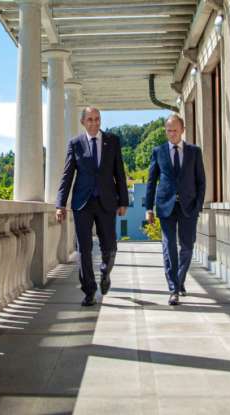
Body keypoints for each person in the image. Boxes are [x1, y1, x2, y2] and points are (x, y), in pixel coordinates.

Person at [56, 107, 129, 306]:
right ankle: (89, 291)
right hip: (82, 203)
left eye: (97, 119)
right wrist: (60, 204)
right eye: (90, 119)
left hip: (107, 202)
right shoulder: (75, 144)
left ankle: (105, 273)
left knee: (110, 247)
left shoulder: (112, 141)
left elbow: (119, 173)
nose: (94, 123)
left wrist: (123, 201)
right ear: (83, 122)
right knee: (84, 249)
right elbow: (67, 175)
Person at [145, 114, 206, 306]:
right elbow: (151, 181)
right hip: (165, 206)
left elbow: (201, 181)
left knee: (187, 247)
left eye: (175, 130)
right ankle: (173, 289)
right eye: (168, 130)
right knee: (168, 245)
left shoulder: (194, 152)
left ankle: (179, 280)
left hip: (189, 207)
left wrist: (198, 206)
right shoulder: (158, 151)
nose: (171, 134)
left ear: (183, 130)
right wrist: (148, 208)